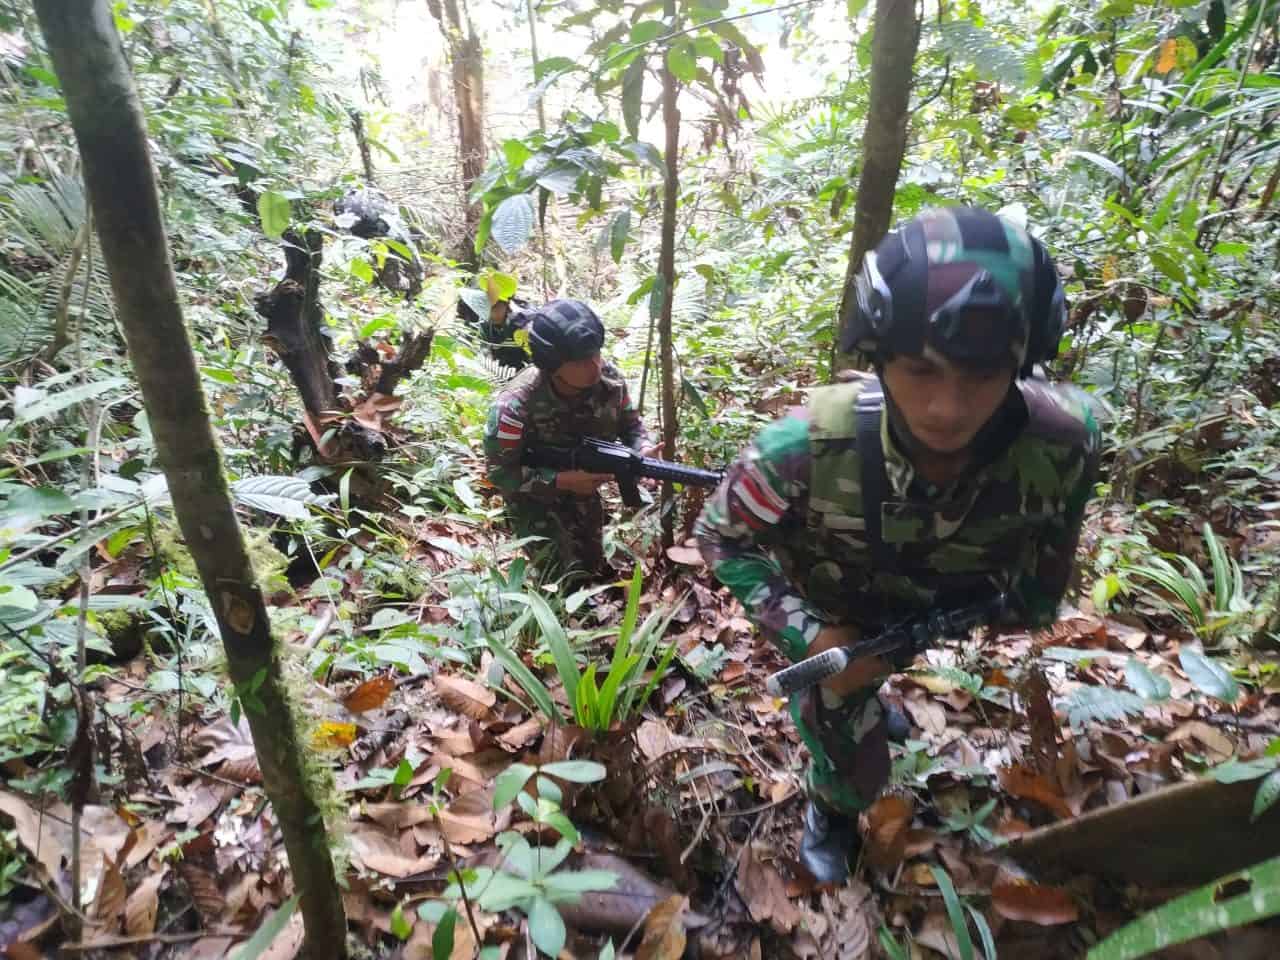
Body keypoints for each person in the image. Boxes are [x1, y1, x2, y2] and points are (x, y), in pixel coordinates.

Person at [694, 207, 1102, 884]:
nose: (947, 406)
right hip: (840, 614)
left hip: (951, 601)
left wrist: (1030, 602)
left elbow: (1057, 531)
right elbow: (720, 537)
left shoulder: (1066, 439)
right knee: (847, 742)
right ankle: (833, 803)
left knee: (870, 676)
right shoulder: (803, 447)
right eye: (920, 370)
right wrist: (810, 636)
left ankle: (871, 694)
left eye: (980, 376)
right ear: (878, 357)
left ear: (1021, 364)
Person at [483, 299, 653, 580]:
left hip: (584, 493)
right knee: (559, 577)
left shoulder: (608, 381)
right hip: (534, 499)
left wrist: (643, 447)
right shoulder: (514, 408)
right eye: (580, 360)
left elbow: (631, 425)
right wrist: (560, 480)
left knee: (590, 564)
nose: (594, 365)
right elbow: (500, 474)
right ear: (552, 364)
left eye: (596, 353)